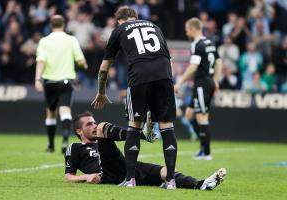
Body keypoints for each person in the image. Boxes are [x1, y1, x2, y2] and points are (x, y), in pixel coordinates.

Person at [91, 6, 177, 189]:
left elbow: (104, 68)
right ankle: (171, 180)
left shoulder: (119, 30)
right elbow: (169, 59)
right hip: (164, 76)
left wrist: (101, 92)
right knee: (167, 127)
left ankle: (130, 180)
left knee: (134, 126)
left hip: (139, 77)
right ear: (136, 17)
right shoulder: (154, 26)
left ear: (119, 20)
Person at [64, 111, 227, 191]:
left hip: (126, 167)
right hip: (108, 174)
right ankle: (143, 134)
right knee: (103, 128)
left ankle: (202, 185)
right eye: (88, 124)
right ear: (79, 131)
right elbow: (68, 176)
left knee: (166, 171)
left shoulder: (100, 142)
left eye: (93, 123)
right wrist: (86, 177)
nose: (93, 126)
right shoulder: (76, 148)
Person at [35, 15, 88, 153]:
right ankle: (65, 140)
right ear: (63, 24)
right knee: (65, 112)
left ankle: (51, 145)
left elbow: (41, 61)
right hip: (65, 81)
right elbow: (80, 60)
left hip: (49, 82)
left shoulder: (44, 41)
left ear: (51, 25)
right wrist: (84, 64)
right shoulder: (71, 40)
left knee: (50, 113)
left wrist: (37, 80)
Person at [174, 18, 222, 160]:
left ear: (194, 28)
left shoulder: (197, 44)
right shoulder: (209, 42)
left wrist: (179, 83)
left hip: (202, 83)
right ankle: (202, 147)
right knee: (189, 114)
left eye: (187, 29)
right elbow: (218, 61)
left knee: (202, 116)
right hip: (206, 82)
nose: (186, 31)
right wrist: (216, 80)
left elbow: (193, 67)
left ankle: (206, 153)